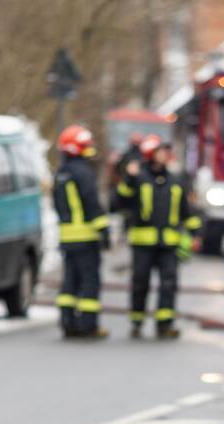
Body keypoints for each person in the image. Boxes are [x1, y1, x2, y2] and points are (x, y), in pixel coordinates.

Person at [116, 135, 200, 339]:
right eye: (160, 151)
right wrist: (128, 177)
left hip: (169, 244)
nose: (164, 154)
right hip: (142, 243)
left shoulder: (175, 180)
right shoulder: (137, 179)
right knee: (140, 283)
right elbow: (118, 202)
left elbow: (186, 211)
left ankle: (165, 324)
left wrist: (195, 234)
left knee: (169, 284)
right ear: (149, 154)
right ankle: (137, 322)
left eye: (165, 151)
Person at [53, 124, 109, 340]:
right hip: (85, 237)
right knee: (89, 281)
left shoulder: (61, 173)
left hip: (67, 237)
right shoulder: (83, 172)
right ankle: (88, 325)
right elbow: (91, 203)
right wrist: (103, 230)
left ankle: (67, 321)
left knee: (69, 280)